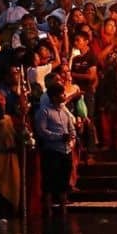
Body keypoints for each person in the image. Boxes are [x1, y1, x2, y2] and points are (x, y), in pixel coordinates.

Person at [35, 82, 76, 216]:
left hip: (66, 150)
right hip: (52, 151)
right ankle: (49, 209)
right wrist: (59, 137)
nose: (64, 96)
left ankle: (63, 208)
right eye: (61, 94)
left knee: (64, 180)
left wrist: (72, 136)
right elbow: (42, 131)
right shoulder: (44, 111)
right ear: (54, 97)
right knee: (49, 180)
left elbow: (71, 127)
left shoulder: (64, 111)